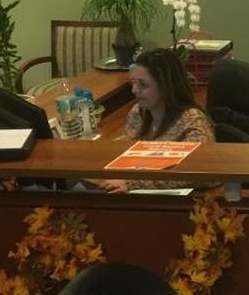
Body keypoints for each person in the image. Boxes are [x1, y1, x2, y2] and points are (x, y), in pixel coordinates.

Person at [92, 48, 214, 193]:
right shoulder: (138, 113)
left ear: (166, 86)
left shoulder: (193, 121)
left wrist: (132, 183)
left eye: (143, 85)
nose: (134, 90)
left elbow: (198, 172)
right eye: (133, 83)